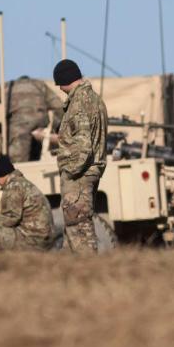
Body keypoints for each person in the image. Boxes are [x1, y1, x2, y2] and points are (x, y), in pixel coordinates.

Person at [52, 59, 107, 254]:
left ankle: (89, 275)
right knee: (73, 234)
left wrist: (69, 171)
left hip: (79, 176)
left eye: (59, 84)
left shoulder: (78, 103)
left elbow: (83, 146)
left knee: (80, 233)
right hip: (90, 172)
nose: (59, 89)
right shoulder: (94, 99)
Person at [0, 154, 53, 251]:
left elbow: (9, 217)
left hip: (33, 240)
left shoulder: (14, 187)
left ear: (1, 173)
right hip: (42, 237)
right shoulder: (21, 183)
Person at [0, 75, 64, 162]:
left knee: (18, 165)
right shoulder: (40, 85)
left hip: (17, 130)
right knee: (34, 164)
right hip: (38, 128)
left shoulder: (7, 86)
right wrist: (56, 128)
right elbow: (59, 107)